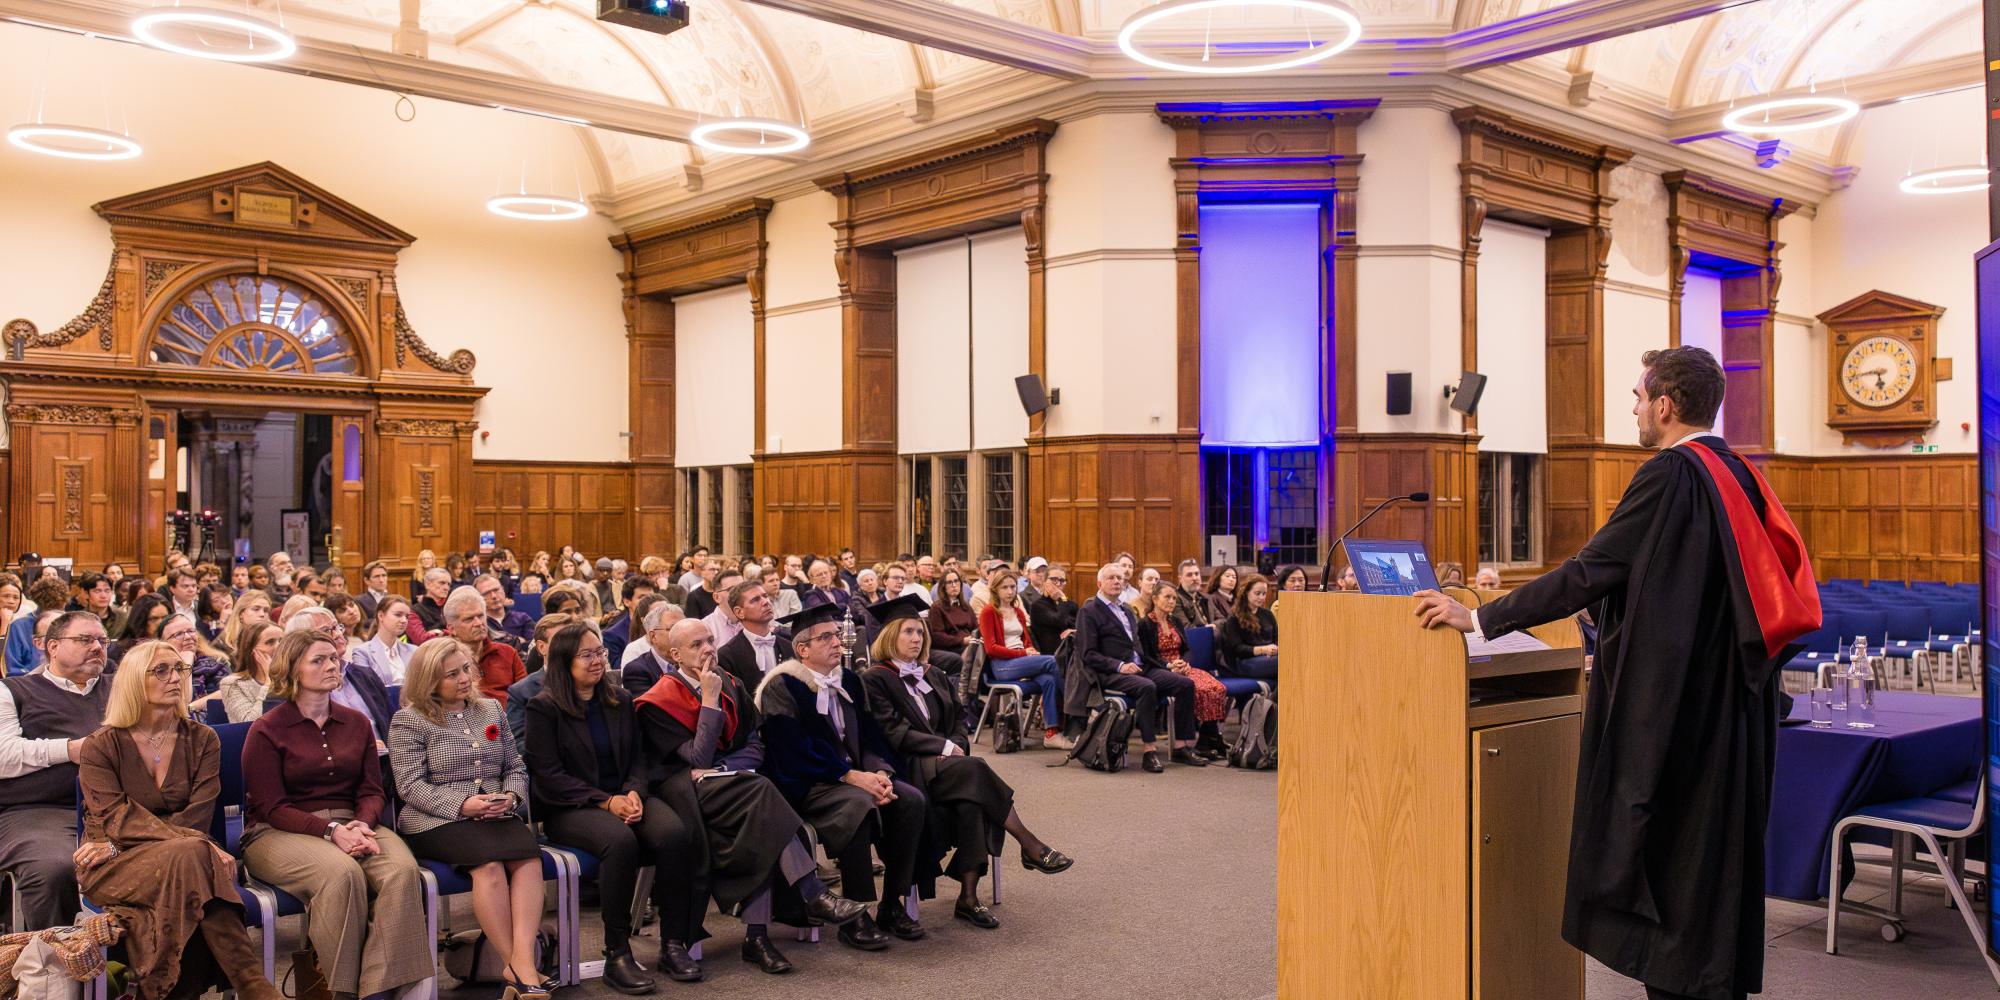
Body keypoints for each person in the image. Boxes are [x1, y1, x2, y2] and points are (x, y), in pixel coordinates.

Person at [1414, 346, 1819, 1000]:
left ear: (1665, 404)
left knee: (1664, 865)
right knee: (1710, 867)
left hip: (1674, 716)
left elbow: (1592, 571)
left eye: (1637, 396)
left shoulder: (1672, 475)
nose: (1632, 407)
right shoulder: (1740, 476)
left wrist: (1481, 620)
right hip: (1728, 709)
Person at [635, 617, 869, 976]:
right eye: (696, 645)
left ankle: (758, 936)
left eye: (710, 640)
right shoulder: (658, 699)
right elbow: (695, 760)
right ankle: (810, 893)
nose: (708, 649)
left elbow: (755, 745)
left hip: (737, 786)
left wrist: (727, 766)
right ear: (675, 654)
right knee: (763, 794)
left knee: (762, 816)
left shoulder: (731, 683)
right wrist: (709, 701)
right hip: (687, 793)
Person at [74, 639, 281, 1000]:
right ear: (134, 681)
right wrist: (197, 844)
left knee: (190, 858)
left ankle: (170, 991)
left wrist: (195, 843)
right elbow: (113, 816)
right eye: (161, 670)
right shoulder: (101, 744)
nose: (175, 677)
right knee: (195, 856)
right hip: (114, 861)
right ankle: (253, 985)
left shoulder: (203, 739)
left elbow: (199, 815)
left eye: (180, 669)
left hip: (179, 854)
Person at [240, 629, 436, 1000]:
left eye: (334, 658)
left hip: (353, 822)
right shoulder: (268, 729)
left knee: (401, 871)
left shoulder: (357, 722)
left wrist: (362, 822)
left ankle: (375, 990)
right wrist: (332, 831)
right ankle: (342, 992)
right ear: (294, 669)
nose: (332, 666)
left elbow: (371, 790)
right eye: (319, 660)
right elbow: (272, 807)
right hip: (276, 831)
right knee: (342, 873)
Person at [861, 596, 1072, 929]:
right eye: (908, 632)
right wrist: (944, 746)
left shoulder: (933, 674)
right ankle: (1030, 844)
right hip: (911, 765)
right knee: (974, 772)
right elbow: (893, 732)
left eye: (920, 632)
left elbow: (959, 721)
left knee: (972, 799)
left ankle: (969, 898)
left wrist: (956, 743)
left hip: (950, 767)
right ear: (889, 637)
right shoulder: (875, 679)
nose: (916, 638)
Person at [522, 622, 702, 990]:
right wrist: (607, 802)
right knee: (620, 842)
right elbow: (548, 775)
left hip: (625, 796)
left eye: (600, 652)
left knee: (674, 834)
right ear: (563, 661)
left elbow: (639, 758)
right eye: (587, 655)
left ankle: (673, 943)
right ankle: (617, 953)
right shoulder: (543, 707)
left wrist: (634, 792)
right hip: (570, 807)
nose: (597, 661)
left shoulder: (618, 699)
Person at [754, 592, 927, 951]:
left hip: (853, 779)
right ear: (802, 649)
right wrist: (851, 776)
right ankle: (856, 915)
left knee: (910, 800)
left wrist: (881, 773)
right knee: (857, 805)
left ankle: (892, 905)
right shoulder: (781, 687)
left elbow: (871, 737)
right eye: (826, 637)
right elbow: (792, 754)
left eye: (837, 635)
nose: (838, 642)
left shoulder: (848, 680)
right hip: (805, 785)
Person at [389, 638, 549, 997]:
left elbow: (515, 766)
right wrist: (464, 804)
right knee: (489, 866)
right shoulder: (409, 721)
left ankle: (519, 961)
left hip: (495, 812)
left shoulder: (491, 710)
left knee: (528, 858)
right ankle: (522, 968)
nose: (464, 678)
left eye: (466, 669)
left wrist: (510, 796)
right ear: (429, 681)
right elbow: (410, 787)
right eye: (452, 674)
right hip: (436, 820)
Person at [0, 610, 110, 928]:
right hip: (36, 811)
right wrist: (70, 749)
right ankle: (56, 967)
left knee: (167, 855)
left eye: (102, 640)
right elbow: (4, 755)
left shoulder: (119, 688)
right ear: (52, 646)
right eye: (84, 639)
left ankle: (136, 967)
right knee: (56, 868)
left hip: (115, 812)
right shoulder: (15, 690)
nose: (97, 647)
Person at [1072, 563, 1201, 772]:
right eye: (1111, 578)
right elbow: (1087, 654)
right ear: (1099, 583)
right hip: (1111, 672)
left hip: (1141, 667)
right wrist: (1120, 665)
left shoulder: (1126, 609)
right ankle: (1149, 751)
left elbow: (1140, 648)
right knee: (1147, 687)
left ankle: (1181, 747)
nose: (1116, 582)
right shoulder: (1089, 611)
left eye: (1120, 578)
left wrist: (1168, 666)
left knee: (1185, 684)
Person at [1137, 587, 1231, 759]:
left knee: (1215, 687)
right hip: (1158, 668)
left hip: (1181, 667)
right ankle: (1184, 745)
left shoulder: (1175, 621)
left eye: (1174, 598)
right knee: (1190, 685)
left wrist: (1185, 663)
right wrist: (1168, 665)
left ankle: (1206, 738)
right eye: (1167, 597)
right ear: (1156, 599)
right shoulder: (1145, 624)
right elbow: (1147, 655)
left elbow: (1186, 649)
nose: (1172, 601)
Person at [976, 571, 1065, 747]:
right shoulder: (989, 612)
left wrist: (1030, 653)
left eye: (1013, 587)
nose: (1010, 591)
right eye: (1005, 587)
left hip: (1021, 661)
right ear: (995, 589)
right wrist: (1024, 654)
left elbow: (1025, 641)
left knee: (1048, 680)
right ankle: (1071, 718)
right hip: (1001, 666)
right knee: (1054, 661)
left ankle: (1052, 733)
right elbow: (991, 649)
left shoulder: (1018, 612)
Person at [444, 586, 527, 706]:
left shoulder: (508, 652)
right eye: (469, 619)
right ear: (452, 629)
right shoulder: (443, 660)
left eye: (481, 616)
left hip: (510, 720)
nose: (478, 623)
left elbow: (524, 695)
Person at [714, 580, 790, 695]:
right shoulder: (727, 655)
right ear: (739, 612)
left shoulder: (788, 646)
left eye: (765, 596)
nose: (765, 602)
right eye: (755, 600)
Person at [1219, 574, 1280, 680]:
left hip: (1270, 657)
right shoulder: (1234, 617)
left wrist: (1276, 649)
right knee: (1287, 663)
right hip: (1246, 662)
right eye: (1257, 593)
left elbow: (1277, 638)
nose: (1261, 597)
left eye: (1264, 594)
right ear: (1246, 592)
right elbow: (1237, 648)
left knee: (1290, 664)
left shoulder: (1267, 614)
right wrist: (1263, 650)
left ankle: (1273, 696)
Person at [220, 621, 282, 723]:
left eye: (282, 641)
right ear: (251, 650)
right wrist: (268, 683)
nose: (279, 647)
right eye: (270, 642)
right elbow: (250, 723)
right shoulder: (232, 683)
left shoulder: (292, 678)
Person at [160, 611, 229, 699]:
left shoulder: (217, 663)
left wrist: (193, 706)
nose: (188, 637)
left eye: (191, 631)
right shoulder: (160, 672)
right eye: (178, 634)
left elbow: (228, 695)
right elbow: (180, 703)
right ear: (164, 643)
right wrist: (186, 666)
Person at [351, 595, 415, 686]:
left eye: (407, 617)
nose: (404, 620)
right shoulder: (362, 652)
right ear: (381, 616)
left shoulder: (414, 650)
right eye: (398, 615)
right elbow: (366, 688)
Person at [1026, 565, 1078, 662]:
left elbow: (1082, 628)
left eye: (1062, 580)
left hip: (1073, 652)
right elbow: (1059, 621)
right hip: (1053, 656)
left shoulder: (1071, 605)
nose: (1058, 584)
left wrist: (1074, 631)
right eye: (1054, 579)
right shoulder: (1037, 606)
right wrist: (1062, 599)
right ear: (1044, 581)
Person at [110, 593, 172, 673]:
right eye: (154, 619)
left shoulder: (174, 645)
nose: (161, 623)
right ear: (141, 620)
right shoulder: (121, 650)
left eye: (165, 617)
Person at [476, 574, 534, 655]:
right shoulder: (479, 624)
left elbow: (533, 648)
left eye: (496, 590)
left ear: (503, 590)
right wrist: (517, 641)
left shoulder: (523, 618)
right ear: (478, 598)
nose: (494, 596)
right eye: (486, 593)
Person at [219, 589, 273, 660]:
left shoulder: (274, 640)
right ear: (241, 613)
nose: (262, 614)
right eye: (256, 609)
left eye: (266, 611)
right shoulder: (223, 642)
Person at [700, 569, 747, 648]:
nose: (741, 593)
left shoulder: (753, 620)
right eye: (732, 590)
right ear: (717, 597)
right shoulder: (706, 628)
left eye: (743, 588)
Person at [1170, 559, 1212, 631]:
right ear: (1180, 579)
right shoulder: (1175, 599)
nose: (1194, 578)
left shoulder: (1206, 597)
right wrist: (1207, 629)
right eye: (1189, 575)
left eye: (1197, 574)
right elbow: (1186, 628)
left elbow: (1221, 620)